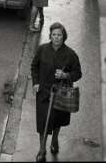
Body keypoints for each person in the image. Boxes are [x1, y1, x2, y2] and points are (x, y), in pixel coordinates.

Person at [31, 22, 82, 161]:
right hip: (44, 92)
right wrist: (35, 82)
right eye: (54, 34)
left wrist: (65, 75)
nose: (56, 37)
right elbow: (34, 66)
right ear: (50, 36)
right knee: (43, 122)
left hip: (61, 93)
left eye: (59, 35)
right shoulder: (42, 49)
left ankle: (54, 138)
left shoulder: (70, 54)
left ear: (63, 36)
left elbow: (78, 73)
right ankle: (42, 149)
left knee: (57, 120)